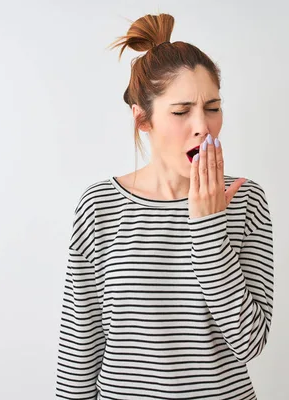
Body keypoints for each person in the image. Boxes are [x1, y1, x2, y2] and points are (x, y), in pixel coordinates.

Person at [55, 13, 274, 400]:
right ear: (142, 119)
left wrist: (208, 228)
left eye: (213, 107)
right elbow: (80, 348)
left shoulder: (245, 199)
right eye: (181, 111)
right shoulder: (99, 206)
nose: (203, 127)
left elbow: (250, 343)